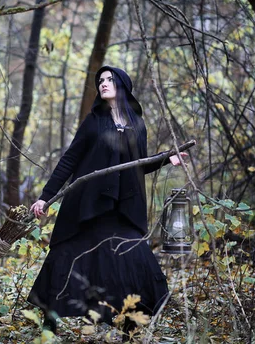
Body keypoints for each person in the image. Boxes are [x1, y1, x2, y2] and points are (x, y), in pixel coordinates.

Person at [27, 65, 188, 339]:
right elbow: (70, 159)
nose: (103, 83)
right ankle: (49, 324)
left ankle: (129, 325)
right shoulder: (94, 121)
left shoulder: (137, 124)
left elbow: (140, 164)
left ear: (123, 85)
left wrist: (165, 159)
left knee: (130, 258)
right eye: (100, 80)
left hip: (123, 208)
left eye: (109, 79)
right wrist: (46, 196)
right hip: (87, 206)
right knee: (67, 255)